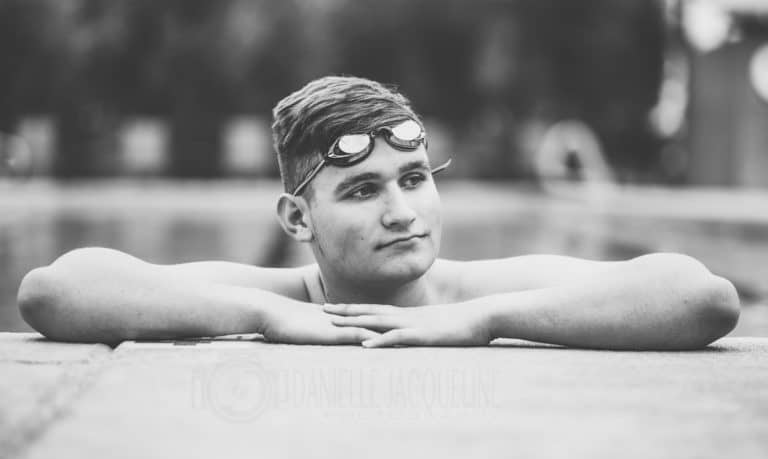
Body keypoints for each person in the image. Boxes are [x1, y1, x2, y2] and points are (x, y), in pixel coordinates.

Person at [17, 76, 740, 349]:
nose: (403, 212)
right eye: (362, 190)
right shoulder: (276, 298)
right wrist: (266, 318)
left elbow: (703, 297)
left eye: (415, 178)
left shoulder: (485, 292)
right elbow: (53, 290)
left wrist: (487, 321)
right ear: (297, 221)